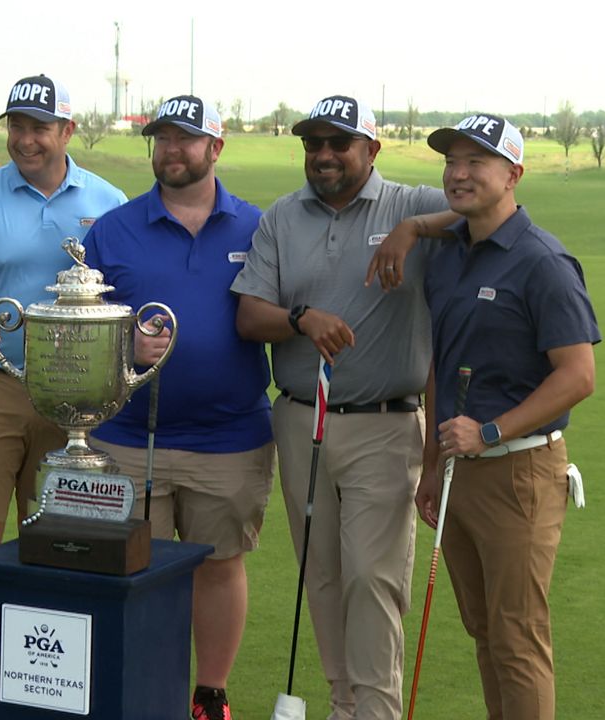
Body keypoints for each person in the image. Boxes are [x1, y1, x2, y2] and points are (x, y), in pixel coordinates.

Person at [231, 94, 457, 720]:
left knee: (372, 579)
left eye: (338, 143)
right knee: (322, 575)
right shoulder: (282, 216)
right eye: (313, 144)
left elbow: (491, 209)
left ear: (371, 150)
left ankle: (378, 713)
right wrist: (301, 319)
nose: (324, 155)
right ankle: (343, 706)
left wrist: (413, 230)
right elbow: (251, 315)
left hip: (385, 423)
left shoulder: (409, 204)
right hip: (302, 418)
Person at [0, 74, 127, 720]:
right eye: (17, 126)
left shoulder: (107, 200)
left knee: (69, 538)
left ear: (67, 131)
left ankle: (59, 683)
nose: (26, 139)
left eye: (40, 127)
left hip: (80, 394)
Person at [80, 95, 272, 720]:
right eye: (162, 138)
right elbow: (83, 328)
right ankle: (142, 694)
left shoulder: (256, 227)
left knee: (220, 566)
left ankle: (208, 694)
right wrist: (125, 344)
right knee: (136, 575)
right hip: (129, 436)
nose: (172, 150)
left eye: (186, 139)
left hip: (230, 437)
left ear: (216, 149)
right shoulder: (114, 228)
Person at [418, 113, 599, 720]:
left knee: (518, 640)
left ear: (513, 174)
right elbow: (440, 368)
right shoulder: (447, 256)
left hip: (519, 473)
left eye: (477, 162)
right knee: (486, 633)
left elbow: (578, 376)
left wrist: (490, 431)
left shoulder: (543, 261)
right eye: (452, 161)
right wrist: (429, 464)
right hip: (457, 472)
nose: (459, 173)